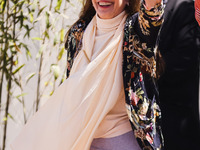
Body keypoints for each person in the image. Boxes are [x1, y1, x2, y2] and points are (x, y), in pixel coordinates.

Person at [10, 0, 165, 150]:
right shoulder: (78, 33)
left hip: (123, 140)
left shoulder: (135, 34)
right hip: (81, 140)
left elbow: (153, 10)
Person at [157, 0, 200, 149]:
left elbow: (186, 56)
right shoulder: (134, 7)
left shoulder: (185, 5)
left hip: (174, 121)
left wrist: (145, 67)